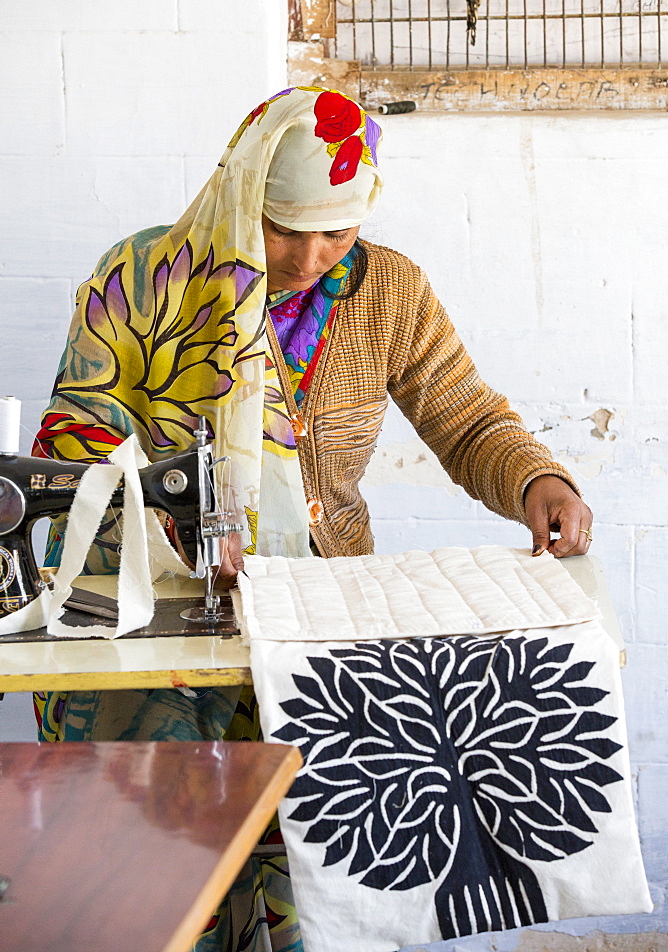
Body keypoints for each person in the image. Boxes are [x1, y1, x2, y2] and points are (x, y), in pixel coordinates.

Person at [32, 86, 593, 952]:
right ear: (240, 190)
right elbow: (74, 433)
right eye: (283, 226)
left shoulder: (390, 292)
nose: (308, 255)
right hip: (154, 617)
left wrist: (536, 481)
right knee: (155, 859)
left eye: (337, 231)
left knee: (313, 855)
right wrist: (155, 516)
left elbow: (465, 415)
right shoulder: (142, 280)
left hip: (312, 614)